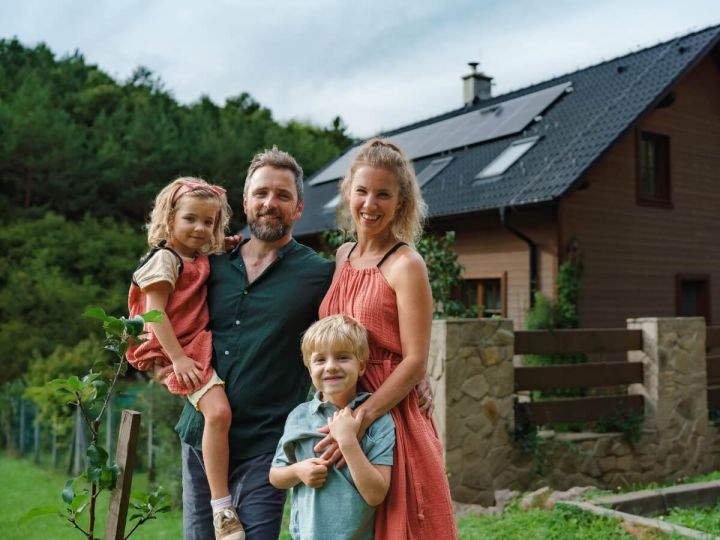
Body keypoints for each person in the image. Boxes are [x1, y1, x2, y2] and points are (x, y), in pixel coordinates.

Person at [173, 147, 335, 540]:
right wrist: (162, 362)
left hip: (268, 444)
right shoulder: (207, 263)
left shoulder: (318, 274)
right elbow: (162, 310)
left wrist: (419, 378)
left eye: (282, 195)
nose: (270, 203)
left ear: (298, 208)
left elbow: (356, 333)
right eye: (261, 193)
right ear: (245, 202)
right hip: (200, 438)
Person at [318, 139, 459, 539]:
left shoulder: (406, 264)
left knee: (402, 525)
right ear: (348, 192)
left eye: (383, 194)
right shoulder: (342, 256)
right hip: (342, 408)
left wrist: (362, 419)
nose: (370, 203)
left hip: (390, 413)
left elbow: (414, 360)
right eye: (362, 191)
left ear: (400, 202)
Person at [127, 177, 245, 540]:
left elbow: (212, 249)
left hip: (192, 343)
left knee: (219, 414)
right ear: (170, 219)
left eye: (208, 222)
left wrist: (225, 243)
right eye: (190, 219)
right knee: (219, 412)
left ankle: (219, 502)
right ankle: (221, 508)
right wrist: (176, 359)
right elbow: (155, 314)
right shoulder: (165, 259)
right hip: (174, 347)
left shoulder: (196, 254)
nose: (200, 228)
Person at [269, 315, 396, 540]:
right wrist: (298, 471)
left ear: (362, 366)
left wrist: (347, 441)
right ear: (309, 369)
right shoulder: (299, 417)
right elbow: (276, 476)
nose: (331, 367)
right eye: (320, 360)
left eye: (343, 357)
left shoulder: (379, 420)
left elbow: (376, 494)